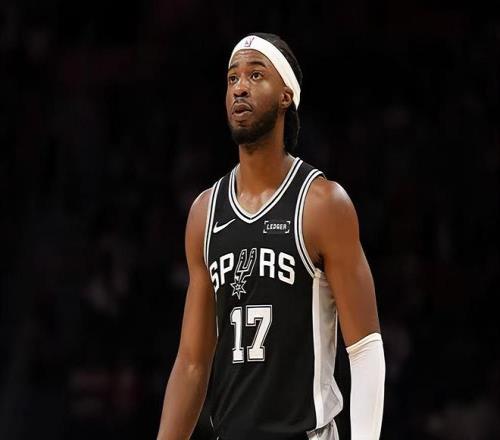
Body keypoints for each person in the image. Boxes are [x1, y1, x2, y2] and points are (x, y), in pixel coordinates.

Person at [157, 33, 385, 440]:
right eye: (232, 78)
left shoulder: (321, 204)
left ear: (286, 96)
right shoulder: (205, 213)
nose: (239, 87)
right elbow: (192, 363)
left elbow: (365, 350)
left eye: (255, 75)